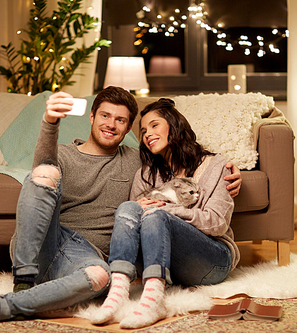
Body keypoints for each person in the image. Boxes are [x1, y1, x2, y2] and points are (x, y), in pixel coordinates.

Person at [0, 87, 242, 330]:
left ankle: (9, 307)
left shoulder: (139, 162)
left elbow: (180, 168)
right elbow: (41, 168)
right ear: (91, 117)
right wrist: (50, 122)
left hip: (88, 258)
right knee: (43, 173)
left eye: (121, 120)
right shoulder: (63, 154)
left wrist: (234, 173)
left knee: (102, 276)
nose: (111, 124)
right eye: (105, 116)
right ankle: (23, 282)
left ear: (127, 130)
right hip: (52, 242)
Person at [90, 98, 240, 329]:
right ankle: (118, 293)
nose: (147, 134)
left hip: (213, 260)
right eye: (143, 130)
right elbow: (133, 223)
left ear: (174, 126)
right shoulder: (146, 173)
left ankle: (153, 303)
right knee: (129, 207)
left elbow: (218, 223)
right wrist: (140, 207)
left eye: (154, 125)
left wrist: (167, 210)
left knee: (155, 214)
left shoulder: (216, 166)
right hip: (170, 263)